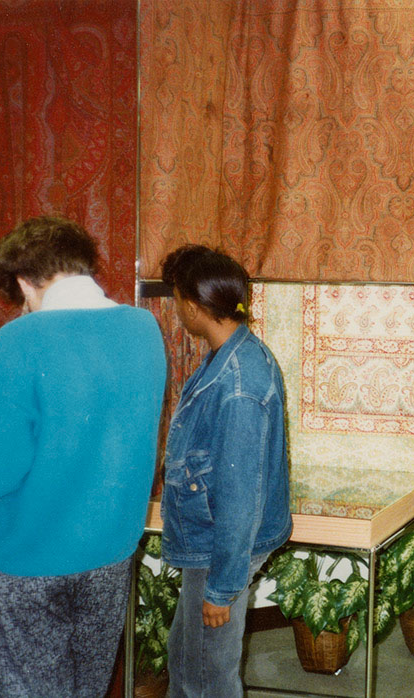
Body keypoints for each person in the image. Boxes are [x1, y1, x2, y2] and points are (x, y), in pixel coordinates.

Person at [0, 216, 167, 697]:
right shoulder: (144, 329)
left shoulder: (20, 339)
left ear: (24, 281)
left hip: (25, 560)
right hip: (108, 557)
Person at [159, 245, 292, 698]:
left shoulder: (239, 382)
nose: (177, 309)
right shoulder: (229, 356)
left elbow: (239, 497)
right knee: (188, 660)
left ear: (194, 307)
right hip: (212, 545)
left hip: (219, 551)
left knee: (205, 678)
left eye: (178, 299)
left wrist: (221, 588)